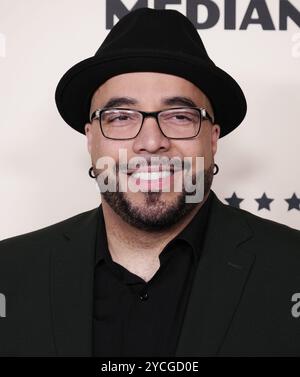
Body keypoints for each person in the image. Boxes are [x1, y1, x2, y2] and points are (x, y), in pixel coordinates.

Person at [0, 8, 299, 357]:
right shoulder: (10, 272)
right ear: (90, 138)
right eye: (122, 117)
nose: (152, 140)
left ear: (213, 139)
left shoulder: (291, 269)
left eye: (180, 116)